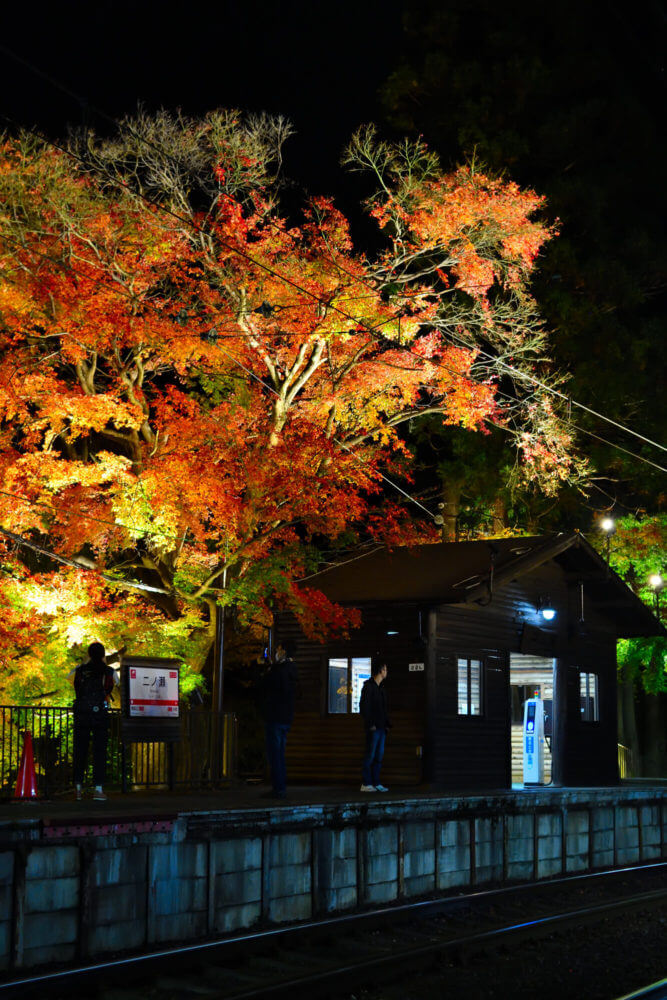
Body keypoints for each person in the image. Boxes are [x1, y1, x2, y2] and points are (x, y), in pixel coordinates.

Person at [71, 641, 115, 801]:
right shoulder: (108, 672)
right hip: (100, 715)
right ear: (103, 654)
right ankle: (98, 789)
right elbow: (110, 687)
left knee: (80, 750)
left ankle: (78, 788)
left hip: (82, 713)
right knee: (99, 751)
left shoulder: (80, 671)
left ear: (89, 654)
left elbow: (75, 686)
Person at [262, 640, 297, 799]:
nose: (276, 650)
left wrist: (266, 669)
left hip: (275, 715)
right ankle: (280, 787)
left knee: (275, 753)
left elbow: (266, 686)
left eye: (278, 648)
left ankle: (278, 788)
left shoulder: (278, 670)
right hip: (286, 716)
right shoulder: (293, 670)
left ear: (283, 651)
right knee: (280, 753)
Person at [360, 659, 390, 792]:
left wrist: (387, 724)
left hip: (382, 727)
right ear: (380, 670)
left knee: (379, 756)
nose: (386, 672)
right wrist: (370, 723)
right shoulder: (369, 687)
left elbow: (384, 708)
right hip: (374, 727)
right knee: (370, 755)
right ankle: (366, 783)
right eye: (385, 669)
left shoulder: (381, 688)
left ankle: (376, 782)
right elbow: (364, 707)